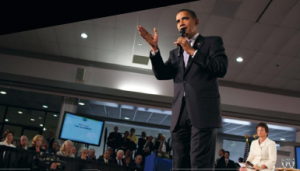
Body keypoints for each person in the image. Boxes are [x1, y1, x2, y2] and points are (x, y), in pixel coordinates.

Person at [137, 8, 228, 170]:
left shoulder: (212, 43)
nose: (181, 23)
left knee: (199, 164)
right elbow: (162, 74)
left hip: (203, 112)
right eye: (178, 21)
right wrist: (155, 49)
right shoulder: (175, 53)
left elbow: (220, 68)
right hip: (180, 114)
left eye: (185, 19)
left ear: (196, 21)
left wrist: (192, 51)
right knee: (179, 165)